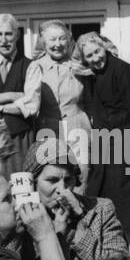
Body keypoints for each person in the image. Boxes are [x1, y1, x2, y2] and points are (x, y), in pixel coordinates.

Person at [14, 139, 127, 260]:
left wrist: (79, 225)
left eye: (68, 180)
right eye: (52, 180)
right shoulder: (21, 215)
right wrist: (15, 232)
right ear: (32, 183)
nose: (62, 189)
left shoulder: (100, 209)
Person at [76, 32, 130, 244]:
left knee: (127, 197)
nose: (95, 58)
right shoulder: (91, 74)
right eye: (89, 55)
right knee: (101, 192)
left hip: (125, 137)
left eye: (97, 51)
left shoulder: (123, 70)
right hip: (103, 139)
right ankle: (108, 243)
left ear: (105, 48)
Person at [24, 20, 89, 168]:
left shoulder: (79, 66)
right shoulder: (36, 67)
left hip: (77, 126)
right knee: (51, 170)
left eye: (62, 38)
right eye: (52, 39)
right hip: (47, 127)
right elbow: (30, 102)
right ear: (43, 43)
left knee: (82, 172)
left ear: (68, 40)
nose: (57, 44)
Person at [0, 13, 40, 172]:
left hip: (20, 138)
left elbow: (31, 105)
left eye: (8, 34)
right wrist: (11, 96)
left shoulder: (30, 66)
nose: (4, 40)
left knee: (22, 186)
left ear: (17, 35)